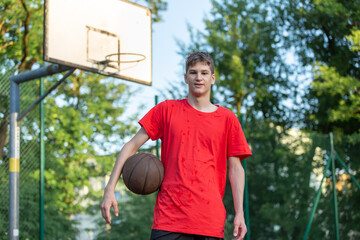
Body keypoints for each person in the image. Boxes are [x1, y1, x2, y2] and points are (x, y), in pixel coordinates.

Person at [101, 52, 252, 240]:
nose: (199, 77)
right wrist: (109, 189)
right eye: (193, 72)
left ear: (212, 78)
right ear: (185, 78)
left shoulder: (228, 119)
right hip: (168, 220)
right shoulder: (166, 110)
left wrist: (240, 213)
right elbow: (131, 146)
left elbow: (236, 169)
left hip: (209, 222)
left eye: (204, 73)